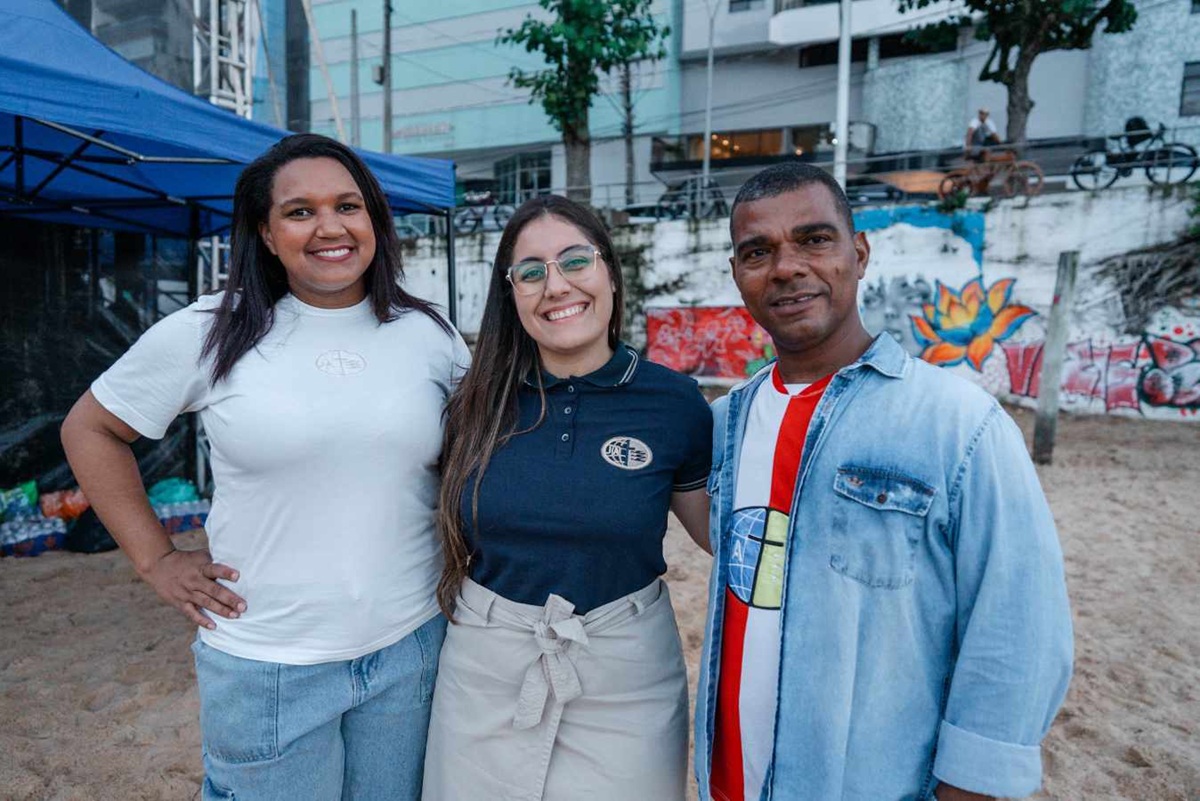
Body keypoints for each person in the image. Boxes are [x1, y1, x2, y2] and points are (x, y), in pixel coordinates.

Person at [61, 133, 469, 800]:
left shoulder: (428, 334)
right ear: (266, 232)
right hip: (269, 663)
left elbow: (473, 456)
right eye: (300, 211)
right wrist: (156, 558)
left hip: (410, 648)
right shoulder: (208, 332)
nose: (330, 227)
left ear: (374, 219)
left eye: (348, 205)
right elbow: (91, 427)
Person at [694, 162, 1073, 801]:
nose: (786, 267)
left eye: (814, 239)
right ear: (738, 276)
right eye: (758, 252)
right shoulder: (724, 423)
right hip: (729, 782)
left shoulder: (960, 424)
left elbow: (1019, 632)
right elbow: (739, 544)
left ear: (859, 254)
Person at [423, 195, 712, 800]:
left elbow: (723, 538)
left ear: (608, 270)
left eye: (575, 261)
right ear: (512, 294)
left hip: (626, 674)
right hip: (486, 668)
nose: (555, 286)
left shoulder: (675, 403)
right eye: (531, 272)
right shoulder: (472, 404)